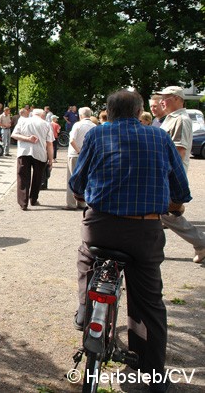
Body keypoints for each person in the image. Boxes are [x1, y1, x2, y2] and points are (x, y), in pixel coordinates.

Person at [69, 90, 190, 393]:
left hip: (101, 227)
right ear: (139, 112)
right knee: (148, 302)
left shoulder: (97, 135)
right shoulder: (160, 137)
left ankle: (85, 308)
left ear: (108, 112)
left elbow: (76, 182)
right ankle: (152, 377)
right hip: (144, 231)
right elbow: (181, 189)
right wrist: (174, 206)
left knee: (87, 256)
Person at [155, 86, 205, 263]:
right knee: (160, 214)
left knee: (165, 214)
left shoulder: (181, 119)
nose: (161, 101)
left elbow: (179, 150)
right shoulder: (171, 118)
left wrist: (164, 174)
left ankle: (201, 243)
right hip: (166, 174)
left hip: (169, 175)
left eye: (166, 97)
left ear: (177, 99)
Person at [11, 108, 53, 210]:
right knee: (38, 177)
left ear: (32, 114)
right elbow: (49, 144)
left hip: (24, 152)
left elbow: (14, 135)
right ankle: (33, 199)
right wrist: (51, 159)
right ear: (42, 115)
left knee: (22, 177)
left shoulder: (23, 121)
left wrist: (27, 139)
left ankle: (23, 202)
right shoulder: (46, 124)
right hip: (40, 153)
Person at [65, 107, 95, 210]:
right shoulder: (94, 126)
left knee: (71, 177)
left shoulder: (77, 125)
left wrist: (79, 151)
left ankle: (71, 203)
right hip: (88, 156)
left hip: (75, 154)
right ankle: (82, 202)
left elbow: (72, 140)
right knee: (84, 178)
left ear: (80, 115)